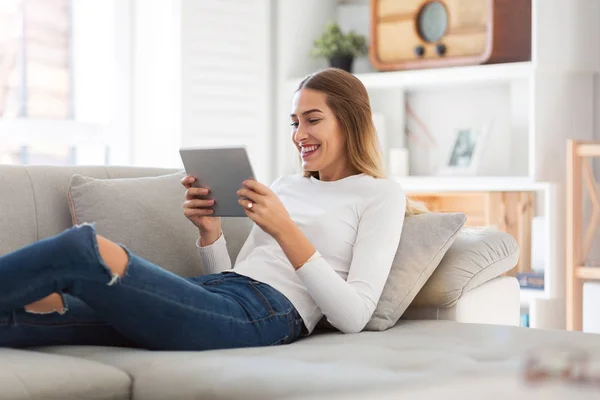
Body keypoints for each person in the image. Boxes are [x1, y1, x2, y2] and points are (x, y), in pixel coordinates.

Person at [0, 68, 425, 351]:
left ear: (351, 122)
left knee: (82, 250)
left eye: (313, 119)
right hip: (220, 290)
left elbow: (354, 316)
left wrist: (285, 231)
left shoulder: (379, 194)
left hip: (265, 315)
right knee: (20, 320)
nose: (300, 134)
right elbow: (242, 271)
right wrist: (209, 232)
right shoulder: (286, 185)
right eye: (295, 122)